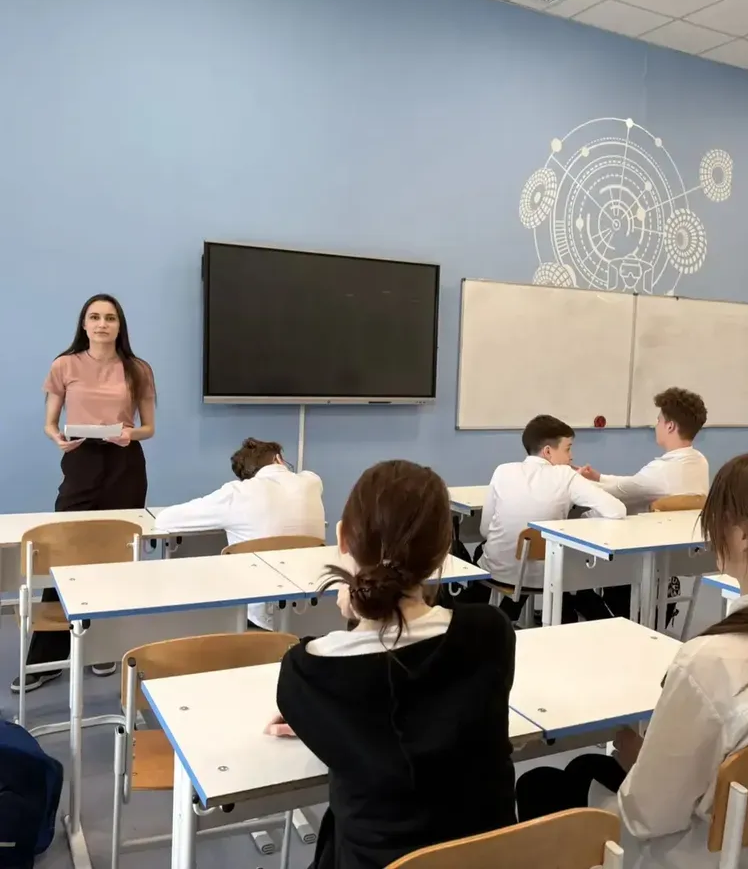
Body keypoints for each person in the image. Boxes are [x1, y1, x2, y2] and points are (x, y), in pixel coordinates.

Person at [515, 452, 748, 869]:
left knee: (541, 783)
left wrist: (642, 759)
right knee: (587, 767)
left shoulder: (708, 662)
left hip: (708, 853)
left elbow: (648, 817)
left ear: (742, 535)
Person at [267, 460, 516, 869]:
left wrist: (325, 716)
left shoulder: (307, 673)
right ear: (445, 550)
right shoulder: (490, 633)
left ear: (342, 537)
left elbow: (378, 676)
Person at [14, 294, 156, 694]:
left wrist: (130, 433)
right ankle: (44, 660)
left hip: (125, 462)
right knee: (64, 551)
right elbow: (50, 422)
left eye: (110, 318)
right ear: (84, 324)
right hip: (80, 460)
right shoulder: (65, 364)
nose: (102, 324)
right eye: (95, 317)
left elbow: (149, 428)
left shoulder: (138, 369)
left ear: (119, 325)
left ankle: (103, 647)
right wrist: (57, 437)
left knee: (115, 553)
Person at [153, 438, 326, 629]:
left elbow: (164, 520)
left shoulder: (237, 493)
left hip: (257, 615)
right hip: (317, 610)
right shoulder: (312, 482)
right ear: (278, 459)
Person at [474, 415, 626, 621]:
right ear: (547, 451)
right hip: (548, 578)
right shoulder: (566, 475)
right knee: (568, 561)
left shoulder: (502, 471)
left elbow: (484, 531)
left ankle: (496, 617)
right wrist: (580, 520)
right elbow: (616, 510)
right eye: (567, 449)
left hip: (498, 573)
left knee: (483, 550)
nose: (571, 456)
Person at [579, 388, 709, 514]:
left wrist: (573, 480)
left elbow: (614, 491)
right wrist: (599, 477)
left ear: (670, 426)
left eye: (659, 421)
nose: (656, 426)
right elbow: (637, 483)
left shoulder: (660, 470)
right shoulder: (700, 461)